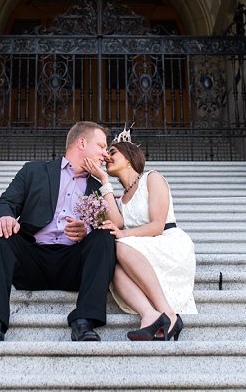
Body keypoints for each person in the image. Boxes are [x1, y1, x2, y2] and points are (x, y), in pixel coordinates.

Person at [0, 121, 116, 342]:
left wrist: (88, 230)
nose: (105, 153)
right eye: (101, 145)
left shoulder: (97, 186)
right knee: (0, 237)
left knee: (103, 238)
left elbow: (112, 224)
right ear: (82, 142)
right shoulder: (34, 171)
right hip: (32, 260)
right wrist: (5, 217)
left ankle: (84, 321)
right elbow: (5, 202)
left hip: (73, 264)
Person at [83, 128, 197, 341]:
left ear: (128, 158)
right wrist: (103, 181)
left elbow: (157, 226)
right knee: (112, 267)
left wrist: (123, 235)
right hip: (139, 250)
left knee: (119, 245)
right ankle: (150, 316)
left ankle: (169, 314)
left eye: (113, 152)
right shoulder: (120, 199)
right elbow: (116, 223)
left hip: (167, 243)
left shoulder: (152, 179)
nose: (107, 156)